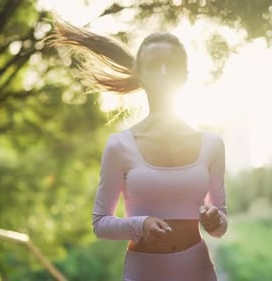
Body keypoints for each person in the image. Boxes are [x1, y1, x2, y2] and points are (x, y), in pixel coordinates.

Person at [49, 21, 227, 281]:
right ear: (140, 73)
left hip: (197, 271)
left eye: (173, 65)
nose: (164, 73)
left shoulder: (212, 144)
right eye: (155, 66)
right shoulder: (120, 145)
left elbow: (220, 224)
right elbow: (100, 223)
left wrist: (215, 220)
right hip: (143, 273)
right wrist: (139, 225)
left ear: (185, 74)